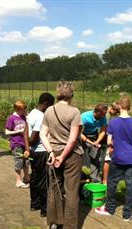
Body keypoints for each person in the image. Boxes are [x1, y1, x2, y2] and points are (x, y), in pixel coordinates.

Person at [40, 81, 83, 229]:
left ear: (58, 94)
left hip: (54, 152)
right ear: (71, 94)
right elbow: (72, 140)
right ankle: (70, 226)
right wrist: (63, 157)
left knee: (54, 187)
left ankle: (54, 222)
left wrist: (51, 152)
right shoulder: (75, 112)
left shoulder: (48, 111)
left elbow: (42, 134)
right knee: (71, 191)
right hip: (71, 155)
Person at [95, 96, 132, 222]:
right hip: (131, 158)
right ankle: (127, 214)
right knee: (130, 186)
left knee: (112, 183)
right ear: (129, 107)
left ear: (119, 107)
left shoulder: (113, 122)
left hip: (117, 157)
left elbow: (109, 141)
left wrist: (113, 147)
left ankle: (109, 209)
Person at [27, 92, 55, 217]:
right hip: (41, 152)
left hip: (33, 152)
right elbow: (33, 138)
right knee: (44, 180)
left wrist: (27, 147)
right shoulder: (40, 117)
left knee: (34, 177)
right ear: (46, 103)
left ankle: (35, 203)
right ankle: (45, 209)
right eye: (51, 105)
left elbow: (25, 132)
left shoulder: (32, 113)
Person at [5, 100, 30, 188]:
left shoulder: (24, 117)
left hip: (25, 144)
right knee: (18, 162)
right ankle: (18, 181)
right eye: (22, 110)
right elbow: (7, 132)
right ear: (17, 109)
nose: (24, 111)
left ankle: (27, 178)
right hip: (16, 144)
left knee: (26, 161)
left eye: (25, 109)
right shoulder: (11, 118)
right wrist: (20, 131)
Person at [81, 104, 108, 183]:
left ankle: (95, 180)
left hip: (94, 136)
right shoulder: (84, 117)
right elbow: (79, 133)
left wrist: (97, 141)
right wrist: (88, 142)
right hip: (82, 136)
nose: (105, 116)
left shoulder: (103, 118)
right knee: (79, 157)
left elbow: (103, 131)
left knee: (95, 159)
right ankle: (79, 177)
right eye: (104, 114)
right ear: (98, 113)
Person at [102, 102, 120, 184]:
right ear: (112, 109)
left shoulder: (108, 114)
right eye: (116, 112)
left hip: (104, 138)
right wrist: (111, 141)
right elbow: (106, 130)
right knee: (107, 159)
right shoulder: (107, 116)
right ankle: (105, 180)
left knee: (105, 159)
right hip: (104, 139)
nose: (116, 114)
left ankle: (104, 178)